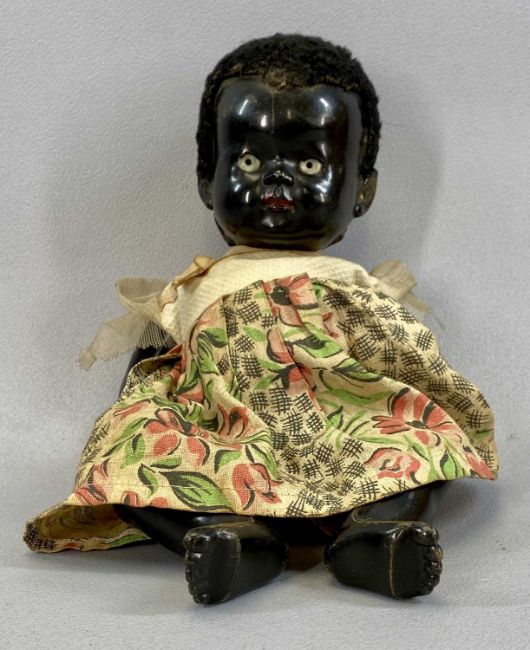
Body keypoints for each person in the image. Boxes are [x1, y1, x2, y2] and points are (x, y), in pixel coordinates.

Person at [24, 34, 497, 604]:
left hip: (341, 430)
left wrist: (429, 403)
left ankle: (375, 533)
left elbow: (401, 358)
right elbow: (149, 371)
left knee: (423, 437)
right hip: (223, 432)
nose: (276, 179)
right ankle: (227, 536)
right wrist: (134, 416)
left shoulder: (357, 287)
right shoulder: (190, 289)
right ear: (207, 178)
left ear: (363, 189)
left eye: (309, 162)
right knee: (128, 448)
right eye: (249, 161)